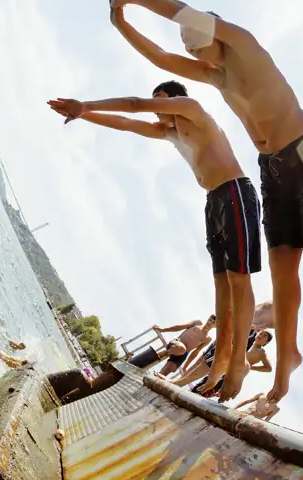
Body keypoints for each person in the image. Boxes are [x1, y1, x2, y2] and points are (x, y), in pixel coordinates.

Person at [108, 0, 303, 419]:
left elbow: (182, 12)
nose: (194, 54)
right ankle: (286, 357)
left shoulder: (243, 43)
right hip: (271, 168)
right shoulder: (214, 74)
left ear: (213, 30)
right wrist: (121, 24)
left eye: (196, 41)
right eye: (191, 49)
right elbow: (160, 60)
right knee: (281, 268)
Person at [49, 79, 261, 402]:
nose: (156, 108)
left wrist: (86, 104)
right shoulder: (170, 132)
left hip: (235, 192)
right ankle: (220, 357)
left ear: (174, 98)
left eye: (159, 100)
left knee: (238, 282)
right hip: (214, 201)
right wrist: (84, 116)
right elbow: (126, 123)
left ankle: (238, 359)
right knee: (221, 285)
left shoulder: (192, 110)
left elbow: (134, 105)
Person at [173, 330, 272, 394]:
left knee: (203, 392)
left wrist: (250, 367)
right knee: (197, 388)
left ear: (266, 342)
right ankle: (176, 385)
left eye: (264, 336)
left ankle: (176, 385)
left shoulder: (261, 352)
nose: (261, 335)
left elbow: (269, 368)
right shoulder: (248, 346)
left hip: (228, 377)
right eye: (261, 333)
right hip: (222, 370)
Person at [151, 315, 216, 377]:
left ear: (215, 326)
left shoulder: (208, 339)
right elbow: (179, 327)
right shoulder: (198, 323)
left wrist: (185, 366)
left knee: (162, 374)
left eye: (213, 322)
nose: (210, 323)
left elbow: (195, 352)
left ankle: (156, 373)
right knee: (181, 348)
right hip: (176, 343)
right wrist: (162, 330)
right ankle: (162, 354)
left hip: (183, 354)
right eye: (210, 320)